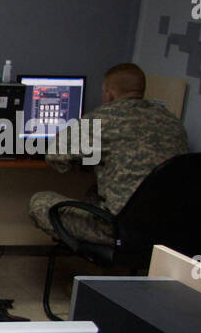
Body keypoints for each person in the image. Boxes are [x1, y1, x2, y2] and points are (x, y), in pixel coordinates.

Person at [28, 63, 189, 244]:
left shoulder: (103, 118)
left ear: (110, 94)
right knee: (94, 192)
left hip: (117, 228)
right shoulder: (173, 122)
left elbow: (54, 155)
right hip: (167, 226)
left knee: (39, 203)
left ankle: (92, 248)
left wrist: (84, 159)